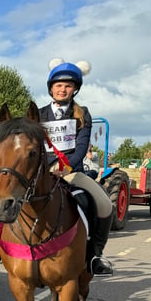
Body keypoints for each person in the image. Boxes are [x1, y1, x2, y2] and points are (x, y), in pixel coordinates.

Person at [39, 59, 114, 276]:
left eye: (68, 85)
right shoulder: (38, 114)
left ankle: (95, 255)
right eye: (58, 85)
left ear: (75, 89)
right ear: (51, 88)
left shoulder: (82, 113)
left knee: (104, 204)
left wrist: (64, 166)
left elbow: (81, 148)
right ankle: (2, 246)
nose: (62, 89)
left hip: (70, 172)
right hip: (42, 172)